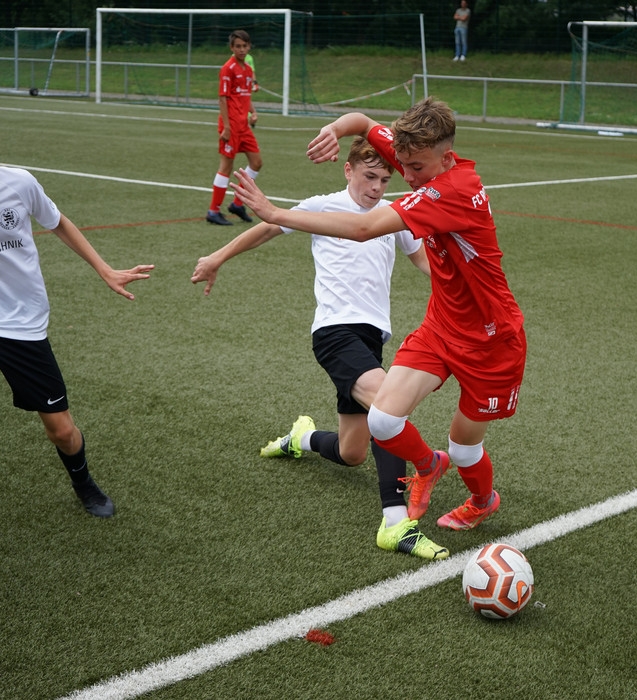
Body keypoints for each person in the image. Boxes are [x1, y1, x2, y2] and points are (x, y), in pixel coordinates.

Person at [232, 97, 526, 535]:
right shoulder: (417, 153)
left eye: (415, 168)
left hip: (492, 339)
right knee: (384, 420)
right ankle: (427, 465)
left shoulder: (454, 190)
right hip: (442, 326)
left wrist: (275, 213)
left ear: (446, 158)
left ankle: (483, 501)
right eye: (401, 165)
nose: (407, 175)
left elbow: (363, 228)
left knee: (464, 451)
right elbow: (363, 122)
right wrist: (335, 130)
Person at [0, 101, 155, 566]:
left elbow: (58, 222)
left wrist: (104, 268)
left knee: (61, 430)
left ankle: (84, 483)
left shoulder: (20, 183)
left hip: (22, 326)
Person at [192, 138, 447, 560]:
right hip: (334, 334)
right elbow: (267, 227)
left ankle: (303, 438)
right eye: (369, 177)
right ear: (348, 170)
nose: (376, 187)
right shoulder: (323, 206)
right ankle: (395, 522)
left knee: (352, 452)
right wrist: (218, 256)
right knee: (388, 408)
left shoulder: (392, 217)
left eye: (384, 180)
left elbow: (426, 263)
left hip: (371, 340)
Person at [206, 29, 261, 227]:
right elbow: (223, 99)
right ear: (231, 47)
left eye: (244, 46)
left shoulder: (247, 69)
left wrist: (253, 112)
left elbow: (245, 95)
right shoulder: (227, 69)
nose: (241, 49)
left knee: (256, 162)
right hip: (230, 125)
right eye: (237, 46)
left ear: (249, 47)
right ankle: (213, 211)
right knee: (226, 167)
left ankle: (237, 204)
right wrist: (227, 127)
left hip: (243, 125)